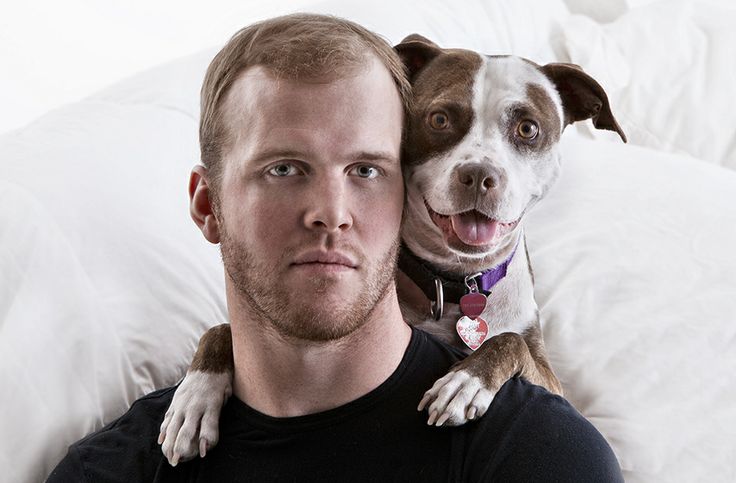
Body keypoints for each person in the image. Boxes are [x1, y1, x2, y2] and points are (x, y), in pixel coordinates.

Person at [47, 13, 623, 482]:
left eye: (366, 170)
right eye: (284, 168)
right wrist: (216, 351)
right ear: (207, 205)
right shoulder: (110, 470)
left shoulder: (538, 454)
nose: (332, 212)